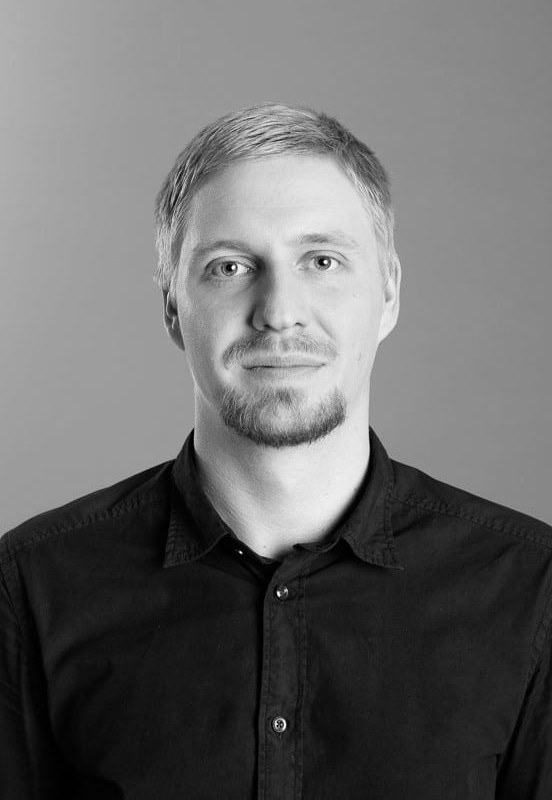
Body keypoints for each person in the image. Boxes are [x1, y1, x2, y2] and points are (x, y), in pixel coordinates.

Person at [1, 103, 551, 800]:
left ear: (388, 294)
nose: (279, 310)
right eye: (230, 266)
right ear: (172, 307)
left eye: (322, 260)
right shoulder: (31, 588)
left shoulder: (531, 590)